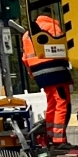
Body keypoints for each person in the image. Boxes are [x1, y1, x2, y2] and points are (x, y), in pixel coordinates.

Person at [22, 13, 72, 147]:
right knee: (62, 103)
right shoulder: (53, 28)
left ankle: (50, 136)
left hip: (40, 74)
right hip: (54, 70)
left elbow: (25, 58)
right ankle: (59, 139)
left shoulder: (26, 34)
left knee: (52, 103)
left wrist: (33, 75)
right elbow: (62, 49)